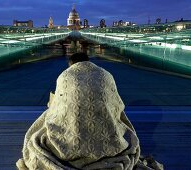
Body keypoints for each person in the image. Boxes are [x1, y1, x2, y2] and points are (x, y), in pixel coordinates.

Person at [17, 53, 163, 170]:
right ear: (88, 61)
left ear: (71, 64)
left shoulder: (64, 76)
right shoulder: (105, 75)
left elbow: (57, 108)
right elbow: (117, 105)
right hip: (105, 133)